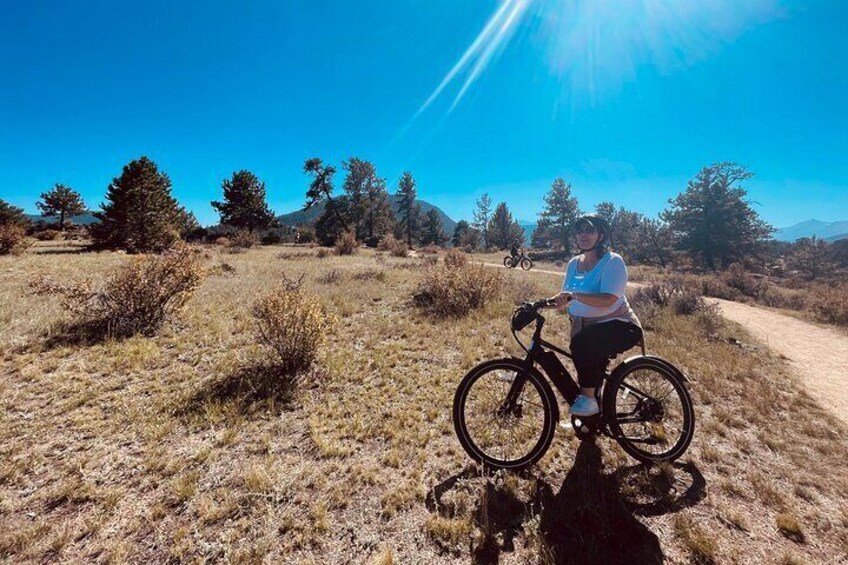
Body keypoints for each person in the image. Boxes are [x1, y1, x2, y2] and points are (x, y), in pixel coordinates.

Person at [551, 215, 643, 417]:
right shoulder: (573, 264)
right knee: (589, 372)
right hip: (584, 328)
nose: (583, 235)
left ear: (600, 236)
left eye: (590, 230)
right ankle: (591, 422)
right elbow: (567, 299)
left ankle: (589, 401)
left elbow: (609, 299)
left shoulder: (612, 261)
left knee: (583, 345)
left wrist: (574, 295)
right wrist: (544, 304)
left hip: (620, 326)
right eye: (580, 230)